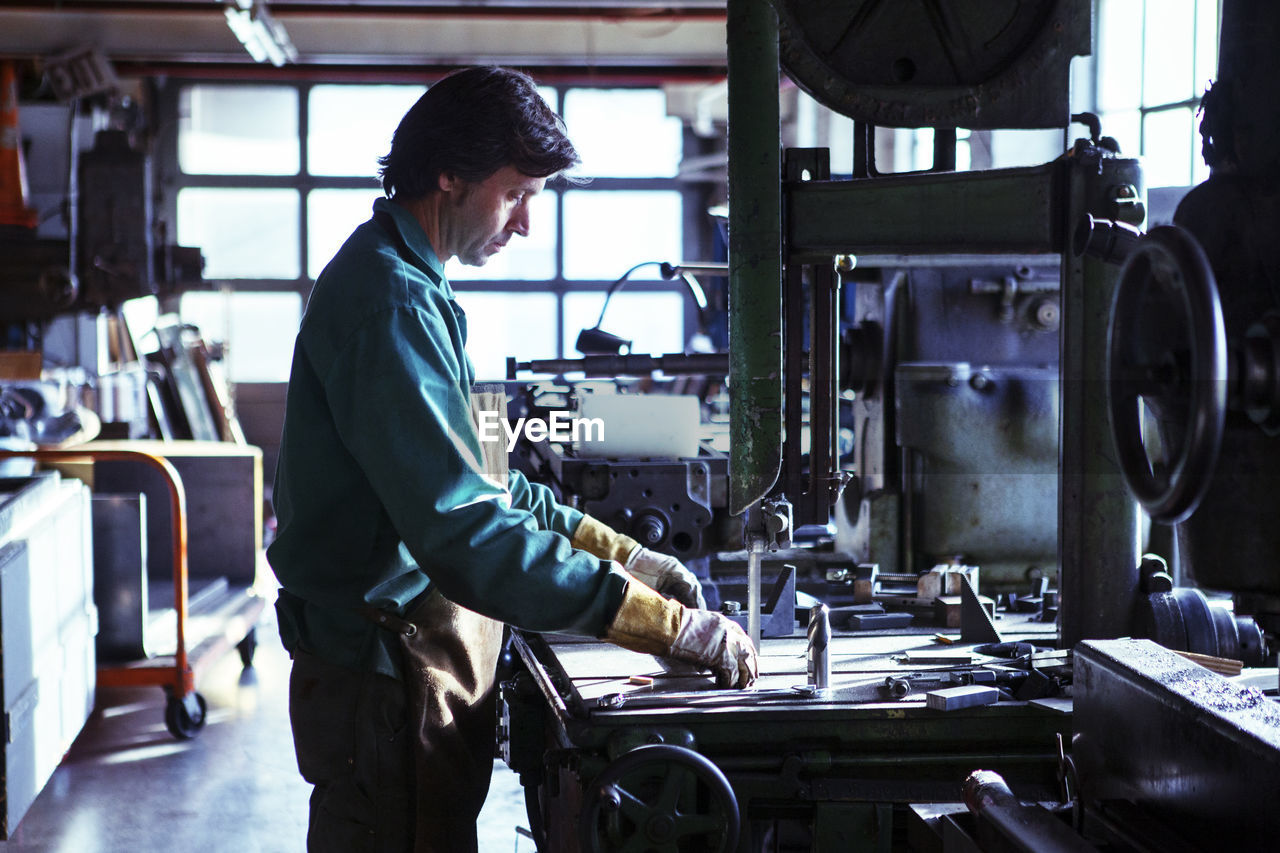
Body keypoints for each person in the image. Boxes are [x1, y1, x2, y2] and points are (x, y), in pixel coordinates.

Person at [266, 66, 758, 853]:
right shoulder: (389, 301)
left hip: (411, 665)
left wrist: (631, 557)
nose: (527, 223)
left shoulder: (422, 290)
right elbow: (466, 531)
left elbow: (499, 483)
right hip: (383, 674)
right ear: (449, 175)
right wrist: (659, 624)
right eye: (518, 193)